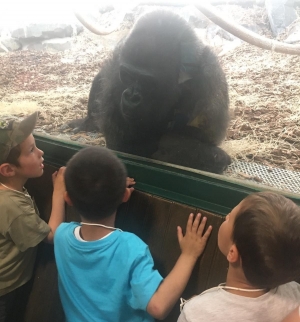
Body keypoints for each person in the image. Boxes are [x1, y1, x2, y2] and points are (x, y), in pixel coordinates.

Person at [54, 146, 212, 322]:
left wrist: (58, 192)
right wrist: (189, 255)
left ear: (67, 198)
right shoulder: (130, 248)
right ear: (126, 195)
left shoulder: (61, 236)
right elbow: (157, 307)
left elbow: (55, 227)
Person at [178, 191, 300, 322]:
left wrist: (199, 308)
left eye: (230, 218)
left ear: (232, 253)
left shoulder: (193, 314)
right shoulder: (295, 293)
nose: (226, 217)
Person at [0, 112, 66, 322]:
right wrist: (58, 192)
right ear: (8, 169)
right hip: (6, 289)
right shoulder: (12, 206)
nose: (41, 152)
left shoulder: (9, 191)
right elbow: (53, 236)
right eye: (31, 150)